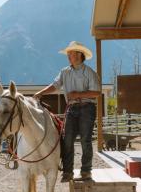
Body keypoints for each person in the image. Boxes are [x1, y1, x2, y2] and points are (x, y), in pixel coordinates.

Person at [33, 41, 100, 182]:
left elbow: (97, 93)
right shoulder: (64, 72)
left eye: (71, 53)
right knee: (66, 139)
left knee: (85, 140)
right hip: (72, 108)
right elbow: (55, 85)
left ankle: (86, 171)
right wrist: (41, 93)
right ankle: (68, 172)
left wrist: (78, 95)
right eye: (68, 54)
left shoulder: (90, 72)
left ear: (80, 55)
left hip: (87, 108)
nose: (69, 56)